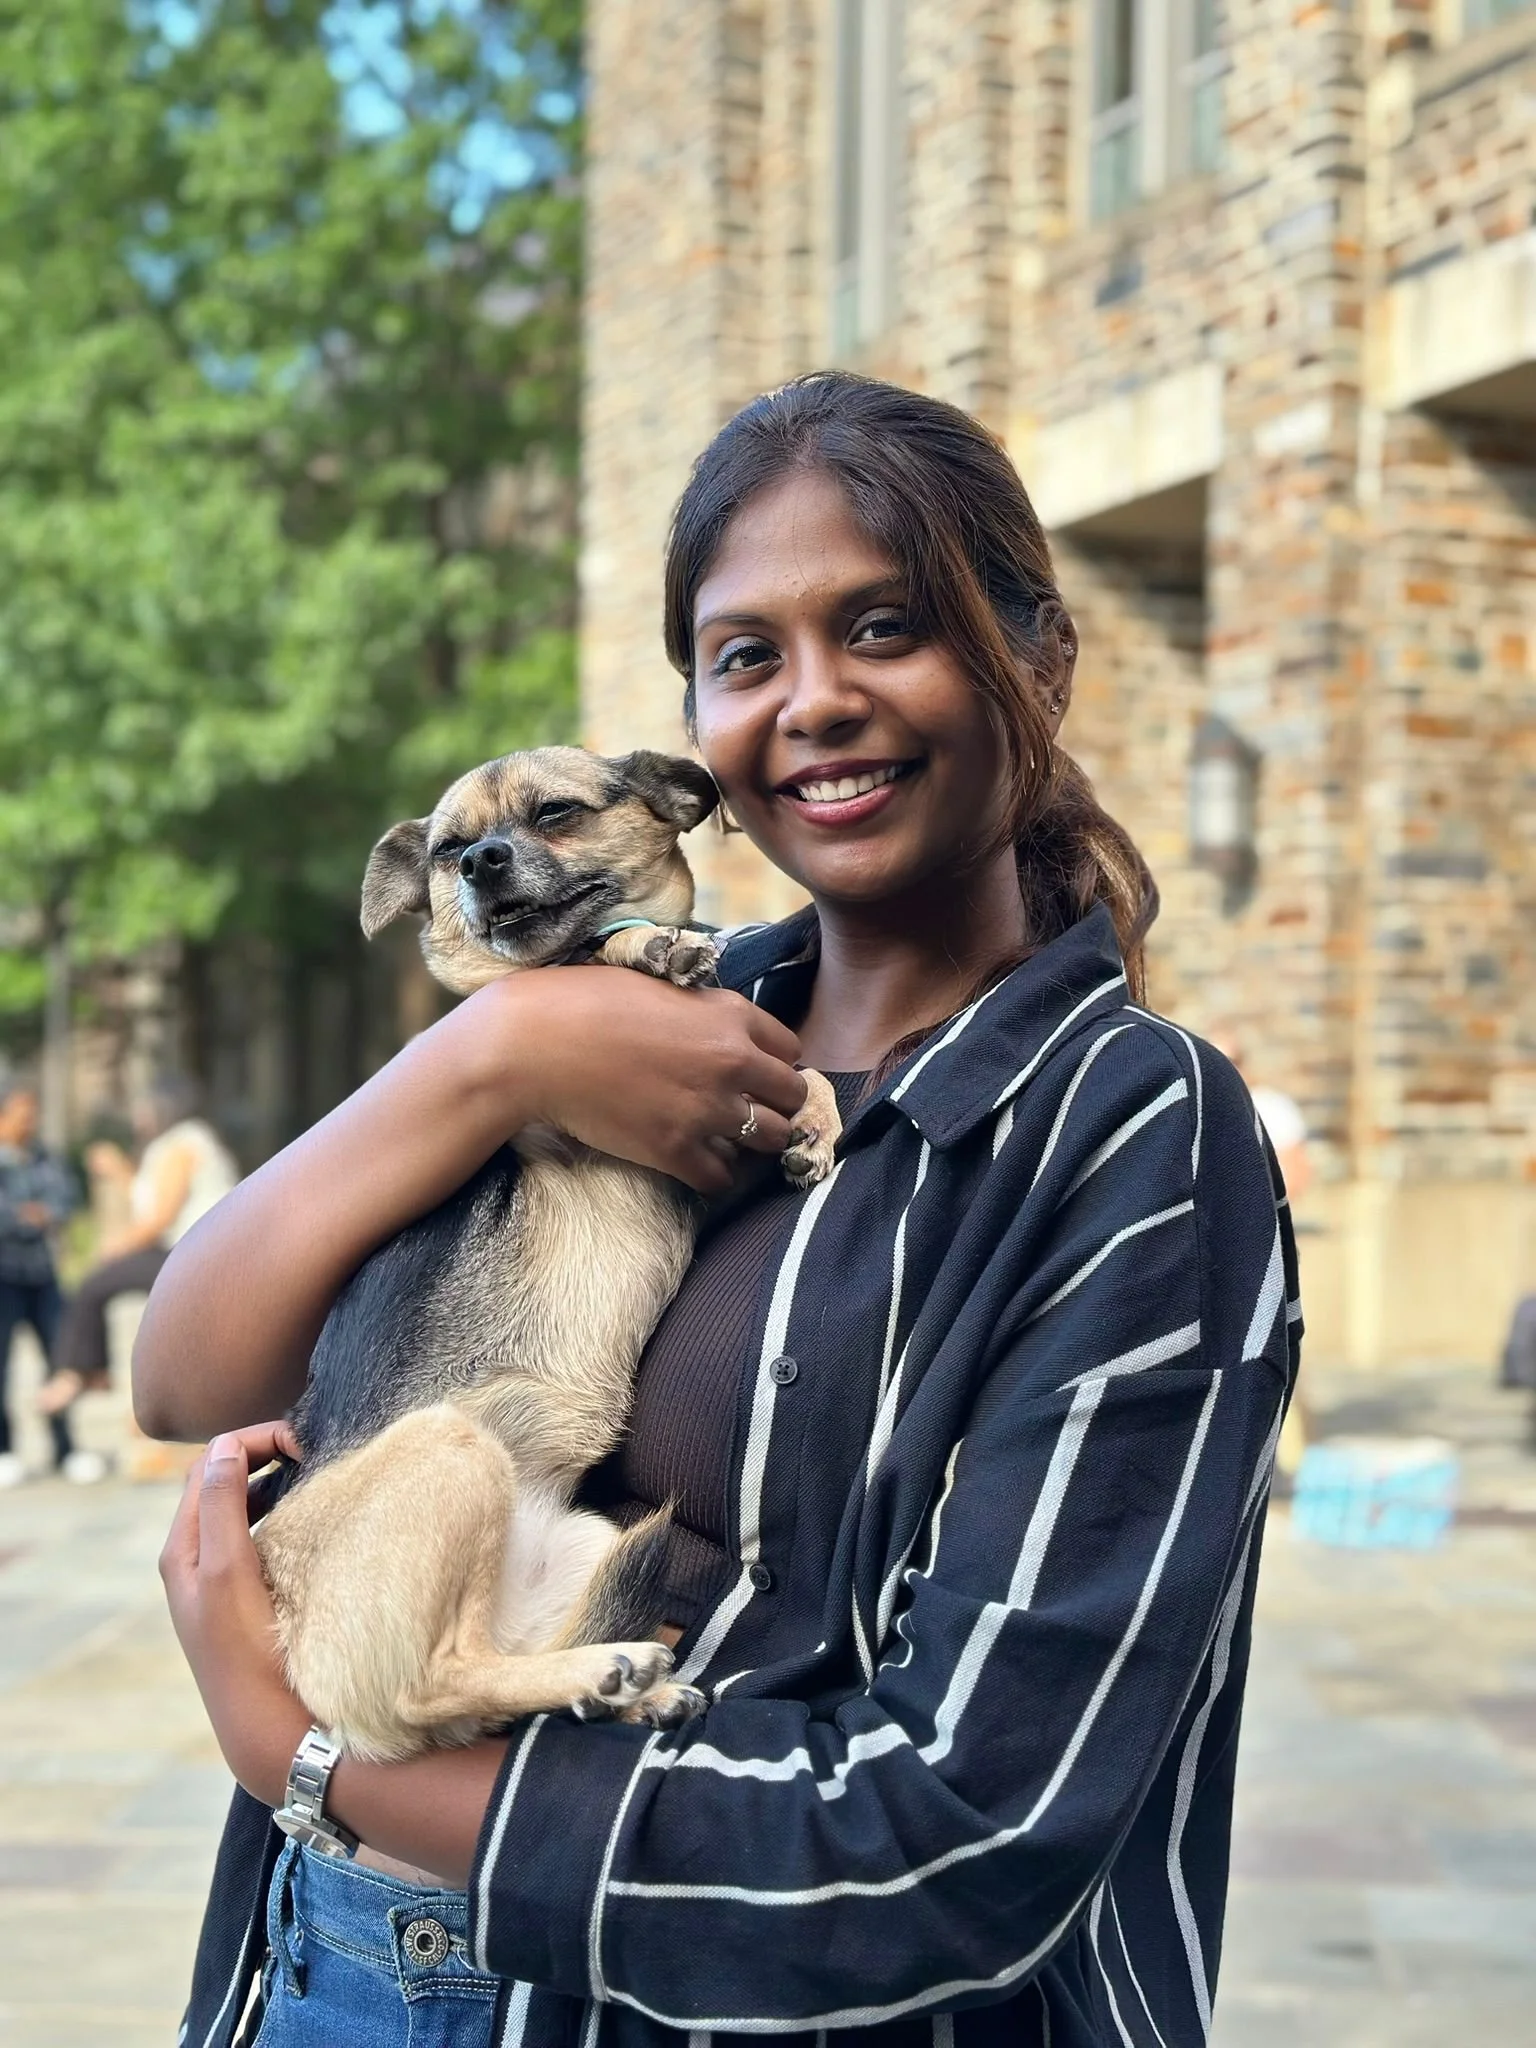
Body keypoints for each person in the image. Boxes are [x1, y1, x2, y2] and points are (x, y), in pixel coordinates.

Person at [141, 373, 1300, 2048]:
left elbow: (960, 1840)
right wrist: (495, 1050)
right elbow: (188, 1373)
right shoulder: (614, 1021)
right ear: (698, 716)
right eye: (747, 655)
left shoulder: (1125, 1130)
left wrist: (307, 1756)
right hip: (331, 1958)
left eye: (886, 626)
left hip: (694, 1995)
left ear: (1037, 656)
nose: (815, 700)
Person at [40, 1080, 238, 1430]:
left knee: (94, 1285)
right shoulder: (176, 1144)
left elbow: (161, 1216)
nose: (139, 1117)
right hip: (190, 1251)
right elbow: (148, 1199)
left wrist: (118, 1245)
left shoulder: (183, 1145)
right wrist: (120, 1173)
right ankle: (88, 1370)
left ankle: (81, 1372)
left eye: (144, 1109)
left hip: (195, 1254)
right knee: (100, 1286)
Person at [0, 1079, 96, 1484]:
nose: (29, 1123)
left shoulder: (44, 1157)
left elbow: (65, 1199)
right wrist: (27, 1218)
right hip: (4, 1276)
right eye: (21, 1115)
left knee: (60, 1363)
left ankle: (65, 1448)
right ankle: (6, 1450)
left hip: (43, 1276)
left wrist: (40, 1214)